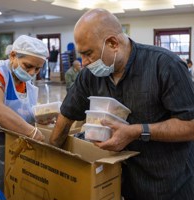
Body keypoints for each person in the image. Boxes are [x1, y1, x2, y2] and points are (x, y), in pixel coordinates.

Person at [49, 8, 194, 200]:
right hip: (121, 184)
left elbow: (190, 125)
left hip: (168, 184)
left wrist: (136, 131)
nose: (83, 63)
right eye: (80, 55)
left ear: (112, 43)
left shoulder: (165, 65)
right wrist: (49, 159)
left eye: (88, 53)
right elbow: (67, 115)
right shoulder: (90, 76)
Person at [0, 35, 49, 140]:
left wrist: (37, 118)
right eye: (28, 66)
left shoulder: (27, 83)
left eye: (37, 69)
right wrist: (31, 131)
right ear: (13, 56)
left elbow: (21, 111)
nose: (32, 73)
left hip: (13, 139)